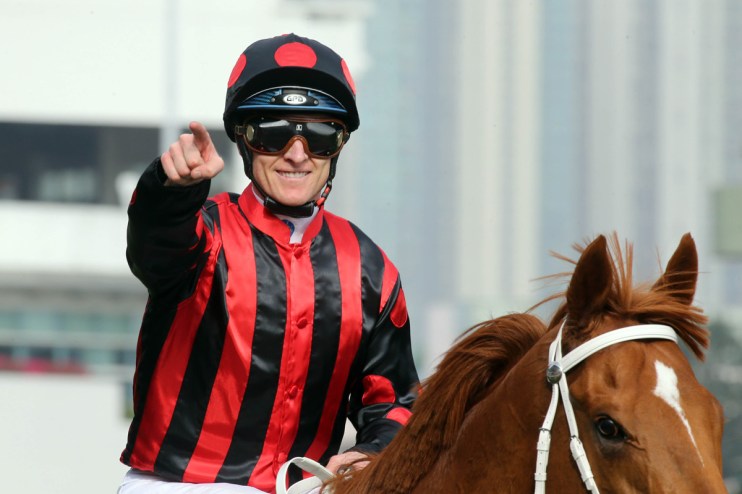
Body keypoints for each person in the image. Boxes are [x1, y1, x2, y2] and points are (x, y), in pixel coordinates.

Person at [117, 33, 419, 494]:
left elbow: (394, 401)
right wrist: (171, 190)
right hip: (176, 486)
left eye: (320, 135)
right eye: (273, 133)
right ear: (244, 140)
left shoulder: (372, 271)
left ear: (339, 146)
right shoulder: (203, 234)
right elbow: (154, 246)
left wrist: (372, 451)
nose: (297, 154)